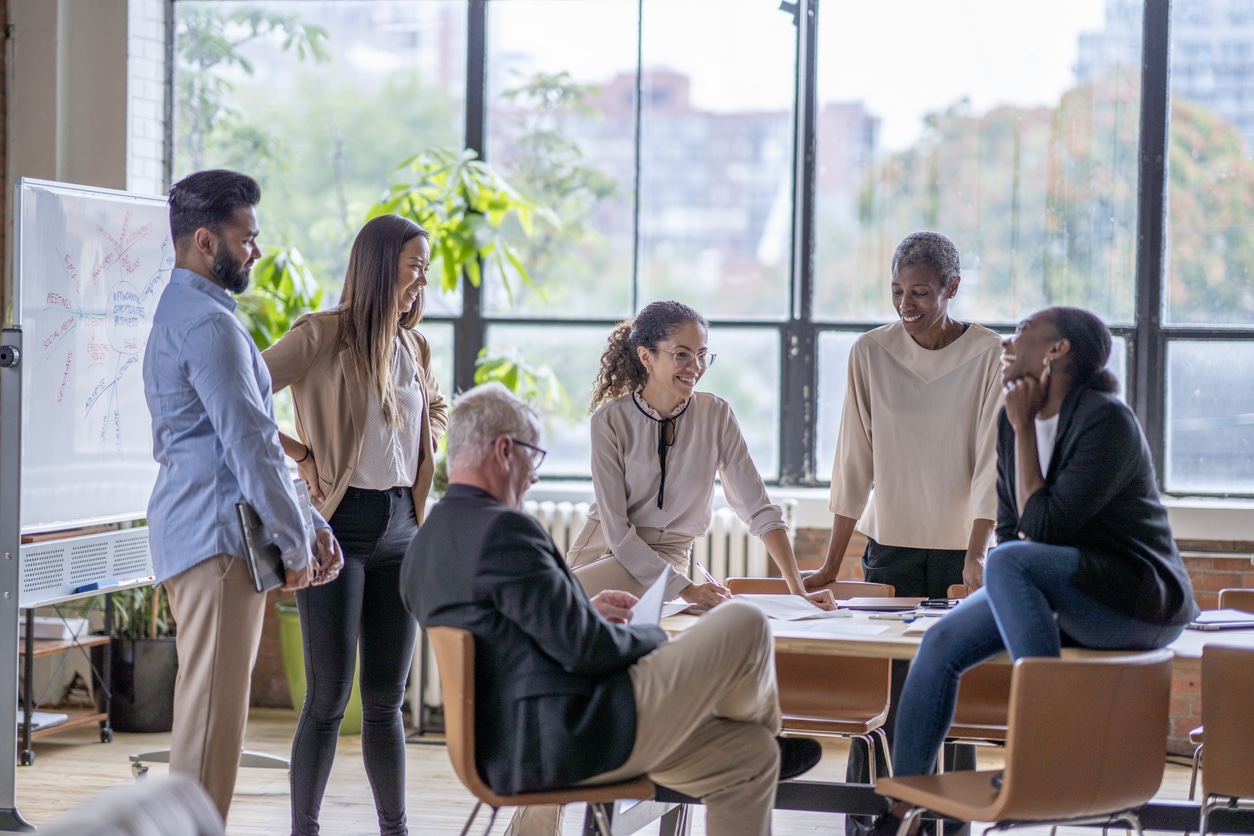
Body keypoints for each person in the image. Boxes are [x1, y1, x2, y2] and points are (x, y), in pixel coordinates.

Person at [401, 383, 823, 836]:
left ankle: (766, 744)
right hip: (575, 738)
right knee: (745, 621)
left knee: (749, 755)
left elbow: (509, 635)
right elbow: (588, 652)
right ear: (504, 450)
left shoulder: (425, 542)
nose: (535, 475)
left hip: (505, 747)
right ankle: (762, 728)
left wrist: (582, 609)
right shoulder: (507, 532)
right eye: (533, 456)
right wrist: (654, 635)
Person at [872, 307, 1198, 836]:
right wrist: (1017, 426)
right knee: (941, 642)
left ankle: (1043, 761)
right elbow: (1011, 523)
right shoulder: (1008, 418)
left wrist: (1025, 429)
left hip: (1136, 603)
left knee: (1007, 558)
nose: (1007, 340)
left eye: (1023, 331)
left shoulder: (1104, 419)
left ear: (1056, 350)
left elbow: (1040, 532)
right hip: (1061, 592)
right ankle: (903, 810)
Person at [143, 169, 344, 823]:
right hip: (218, 544)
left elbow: (250, 443)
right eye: (245, 237)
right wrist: (297, 542)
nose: (255, 250)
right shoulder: (208, 327)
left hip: (206, 535)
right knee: (208, 733)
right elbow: (252, 446)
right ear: (206, 241)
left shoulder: (192, 315)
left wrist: (308, 520)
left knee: (212, 726)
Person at [803, 232, 1003, 817]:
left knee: (949, 693)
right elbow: (853, 461)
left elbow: (993, 459)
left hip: (957, 553)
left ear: (952, 288)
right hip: (888, 548)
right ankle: (871, 820)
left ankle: (946, 818)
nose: (905, 304)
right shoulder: (870, 352)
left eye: (919, 292)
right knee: (887, 693)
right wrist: (833, 561)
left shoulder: (989, 352)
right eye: (897, 291)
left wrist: (976, 553)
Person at [262, 214, 447, 836]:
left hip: (404, 530)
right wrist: (304, 457)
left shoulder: (412, 344)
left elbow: (430, 410)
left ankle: (394, 829)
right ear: (379, 266)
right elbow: (243, 388)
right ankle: (304, 830)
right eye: (414, 265)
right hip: (339, 530)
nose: (423, 279)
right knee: (327, 699)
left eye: (426, 267)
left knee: (385, 704)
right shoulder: (322, 334)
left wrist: (431, 438)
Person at [569, 300, 834, 611]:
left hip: (666, 559)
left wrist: (797, 590)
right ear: (646, 356)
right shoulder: (609, 420)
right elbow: (617, 532)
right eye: (682, 355)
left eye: (702, 356)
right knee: (548, 613)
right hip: (602, 548)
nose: (695, 367)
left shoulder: (716, 414)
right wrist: (687, 589)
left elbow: (759, 510)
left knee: (553, 611)